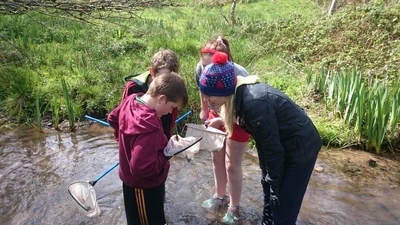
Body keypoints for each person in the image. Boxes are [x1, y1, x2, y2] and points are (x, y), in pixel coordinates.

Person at [198, 51, 322, 225]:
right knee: (269, 201)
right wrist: (268, 179)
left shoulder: (254, 104)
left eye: (208, 94)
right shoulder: (236, 98)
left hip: (300, 149)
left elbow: (273, 149)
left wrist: (274, 184)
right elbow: (265, 146)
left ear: (223, 92)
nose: (206, 99)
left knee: (282, 211)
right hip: (280, 145)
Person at [107, 72, 188, 225]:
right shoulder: (149, 127)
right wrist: (166, 154)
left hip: (129, 183)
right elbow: (141, 169)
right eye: (172, 107)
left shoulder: (131, 100)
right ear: (161, 99)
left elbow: (112, 118)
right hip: (143, 188)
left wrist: (128, 142)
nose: (170, 112)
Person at [195, 36, 251, 224]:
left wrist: (221, 120)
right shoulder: (201, 67)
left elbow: (246, 112)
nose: (206, 70)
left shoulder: (239, 73)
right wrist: (205, 111)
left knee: (231, 165)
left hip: (237, 118)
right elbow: (202, 89)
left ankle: (234, 207)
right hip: (215, 114)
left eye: (211, 68)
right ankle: (220, 196)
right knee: (216, 156)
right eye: (205, 68)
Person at [120, 49, 180, 140]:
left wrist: (166, 143)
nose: (166, 84)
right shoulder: (133, 87)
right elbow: (124, 119)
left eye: (170, 79)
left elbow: (169, 122)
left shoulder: (172, 88)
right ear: (152, 72)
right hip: (135, 139)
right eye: (162, 78)